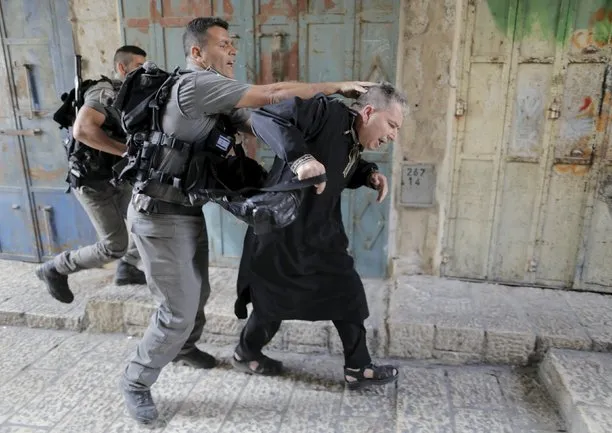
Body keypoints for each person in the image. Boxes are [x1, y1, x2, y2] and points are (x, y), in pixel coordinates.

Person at [119, 16, 375, 424]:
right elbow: (272, 94)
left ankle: (182, 348)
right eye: (223, 44)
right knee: (178, 310)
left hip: (182, 212)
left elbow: (262, 118)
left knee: (194, 295)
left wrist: (304, 152)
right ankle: (136, 380)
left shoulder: (217, 96)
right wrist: (332, 87)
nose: (233, 50)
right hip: (157, 215)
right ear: (197, 53)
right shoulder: (196, 84)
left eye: (233, 43)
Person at [232, 82, 407, 390]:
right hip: (281, 231)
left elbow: (340, 166)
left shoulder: (353, 138)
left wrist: (368, 175)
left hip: (321, 234)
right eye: (392, 125)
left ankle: (358, 367)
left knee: (348, 293)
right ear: (368, 112)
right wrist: (300, 159)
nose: (394, 134)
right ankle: (246, 352)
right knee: (272, 304)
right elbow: (263, 118)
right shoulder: (324, 112)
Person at [36, 45, 147, 304]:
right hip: (93, 183)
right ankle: (55, 268)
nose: (144, 72)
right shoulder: (104, 91)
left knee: (143, 221)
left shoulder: (129, 94)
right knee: (113, 246)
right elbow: (83, 130)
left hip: (116, 177)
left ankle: (128, 268)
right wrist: (125, 152)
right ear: (122, 67)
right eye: (139, 66)